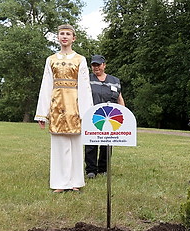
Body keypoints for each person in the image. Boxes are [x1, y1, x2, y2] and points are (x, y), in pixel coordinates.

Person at [35, 24, 93, 193]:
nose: (65, 36)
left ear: (73, 38)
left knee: (75, 145)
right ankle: (60, 183)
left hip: (74, 106)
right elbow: (46, 85)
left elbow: (85, 86)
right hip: (57, 106)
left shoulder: (80, 59)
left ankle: (75, 181)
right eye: (62, 34)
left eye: (68, 34)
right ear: (58, 37)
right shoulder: (51, 59)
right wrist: (42, 113)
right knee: (59, 145)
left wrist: (86, 112)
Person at [85, 55, 125, 178]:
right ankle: (91, 170)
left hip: (110, 117)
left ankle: (103, 169)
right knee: (91, 143)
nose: (96, 67)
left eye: (98, 65)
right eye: (94, 65)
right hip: (92, 116)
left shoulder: (115, 81)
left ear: (104, 65)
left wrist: (123, 114)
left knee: (107, 144)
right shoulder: (87, 79)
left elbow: (119, 99)